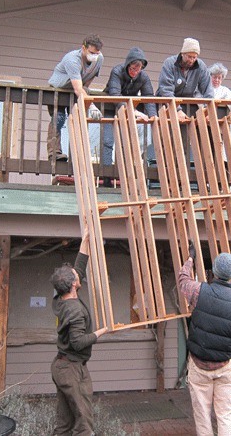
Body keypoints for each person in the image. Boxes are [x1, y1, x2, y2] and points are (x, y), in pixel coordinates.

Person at [178, 245, 231, 436]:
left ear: (214, 273)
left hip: (199, 365)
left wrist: (190, 259)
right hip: (225, 366)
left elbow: (183, 279)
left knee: (203, 416)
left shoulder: (198, 292)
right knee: (225, 416)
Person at [50, 225, 109, 435]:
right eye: (77, 277)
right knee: (84, 422)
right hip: (71, 369)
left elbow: (79, 268)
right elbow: (77, 342)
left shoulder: (60, 297)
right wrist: (101, 332)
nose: (79, 275)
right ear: (74, 285)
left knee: (65, 423)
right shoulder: (74, 310)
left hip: (64, 365)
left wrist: (85, 240)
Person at [101, 47, 157, 186]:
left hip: (129, 112)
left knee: (125, 142)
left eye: (138, 70)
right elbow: (115, 95)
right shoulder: (117, 71)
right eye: (132, 68)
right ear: (128, 65)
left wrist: (153, 116)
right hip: (111, 107)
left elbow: (148, 97)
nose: (135, 72)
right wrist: (133, 111)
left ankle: (123, 176)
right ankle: (106, 176)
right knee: (108, 140)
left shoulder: (143, 77)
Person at [47, 34, 104, 161]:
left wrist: (86, 92)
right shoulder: (72, 59)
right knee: (59, 119)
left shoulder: (99, 59)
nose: (94, 55)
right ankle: (54, 153)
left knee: (77, 120)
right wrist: (92, 106)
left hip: (75, 92)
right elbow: (78, 88)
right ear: (83, 48)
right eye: (91, 52)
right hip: (59, 90)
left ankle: (78, 155)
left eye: (97, 53)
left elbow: (88, 80)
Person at [156, 37, 214, 119]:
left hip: (187, 104)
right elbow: (166, 90)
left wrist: (208, 109)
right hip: (166, 104)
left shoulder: (201, 66)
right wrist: (177, 110)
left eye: (194, 57)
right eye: (189, 57)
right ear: (182, 53)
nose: (191, 60)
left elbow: (208, 89)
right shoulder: (169, 63)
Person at [209, 62, 231, 161]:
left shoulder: (224, 90)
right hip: (206, 121)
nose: (216, 80)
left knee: (219, 146)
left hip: (219, 124)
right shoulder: (205, 87)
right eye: (214, 77)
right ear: (211, 76)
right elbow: (200, 101)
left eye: (219, 78)